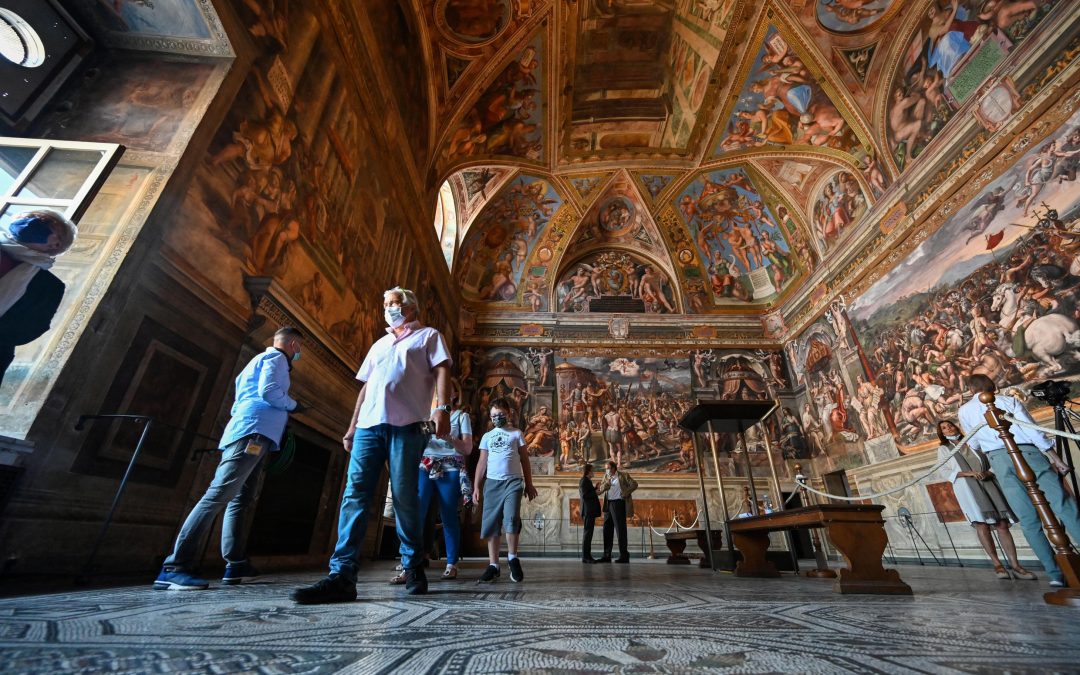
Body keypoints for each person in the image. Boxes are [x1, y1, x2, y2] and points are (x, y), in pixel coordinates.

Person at [292, 287, 451, 604]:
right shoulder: (379, 344)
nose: (390, 308)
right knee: (355, 494)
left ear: (411, 307)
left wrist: (442, 409)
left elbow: (442, 369)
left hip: (407, 426)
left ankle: (413, 565)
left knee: (405, 496)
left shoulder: (428, 336)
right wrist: (352, 426)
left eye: (396, 303)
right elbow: (366, 388)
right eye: (386, 304)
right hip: (368, 427)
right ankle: (342, 575)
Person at [153, 327, 304, 590]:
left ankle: (235, 562)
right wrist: (293, 405)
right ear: (293, 344)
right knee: (219, 494)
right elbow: (269, 392)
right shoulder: (277, 359)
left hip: (253, 432)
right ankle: (174, 566)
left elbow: (238, 402)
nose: (299, 352)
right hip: (253, 436)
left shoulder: (255, 362)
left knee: (241, 498)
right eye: (299, 347)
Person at [958, 374, 1080, 588]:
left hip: (999, 459)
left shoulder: (964, 410)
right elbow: (1032, 432)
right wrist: (1055, 458)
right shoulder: (1007, 401)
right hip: (1027, 452)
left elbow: (974, 443)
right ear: (991, 385)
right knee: (1062, 503)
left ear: (970, 388)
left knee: (1027, 518)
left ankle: (1055, 574)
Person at [935, 420, 1034, 580]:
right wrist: (969, 473)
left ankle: (1016, 565)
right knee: (982, 524)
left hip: (989, 483)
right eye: (944, 428)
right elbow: (944, 471)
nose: (949, 428)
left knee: (1002, 524)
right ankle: (997, 565)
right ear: (942, 433)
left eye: (950, 425)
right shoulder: (944, 449)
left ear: (956, 426)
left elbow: (991, 459)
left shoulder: (973, 441)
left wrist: (988, 472)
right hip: (968, 488)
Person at [0, 210, 77, 387]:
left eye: (48, 225)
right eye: (36, 217)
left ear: (55, 245)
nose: (35, 222)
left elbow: (28, 329)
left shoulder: (49, 287)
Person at [473, 398, 537, 583]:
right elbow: (482, 462)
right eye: (494, 416)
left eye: (500, 414)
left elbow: (525, 460)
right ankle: (493, 565)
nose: (497, 418)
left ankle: (512, 557)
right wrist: (477, 486)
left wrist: (529, 484)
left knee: (511, 518)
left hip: (513, 482)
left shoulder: (517, 434)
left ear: (508, 414)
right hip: (492, 484)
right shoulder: (487, 436)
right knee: (492, 523)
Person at [409, 397, 473, 581]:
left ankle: (452, 563)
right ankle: (410, 560)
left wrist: (448, 437)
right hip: (425, 464)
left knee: (448, 514)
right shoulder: (423, 413)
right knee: (416, 512)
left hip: (450, 466)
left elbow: (467, 448)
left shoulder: (462, 417)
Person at [597, 461, 638, 563]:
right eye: (606, 468)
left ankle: (624, 555)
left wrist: (626, 492)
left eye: (609, 468)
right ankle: (607, 555)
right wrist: (607, 483)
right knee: (607, 530)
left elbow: (634, 484)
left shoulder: (623, 475)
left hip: (619, 504)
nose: (607, 470)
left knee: (620, 530)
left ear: (614, 468)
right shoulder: (606, 477)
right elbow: (600, 490)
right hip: (608, 504)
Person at [579, 464, 601, 564]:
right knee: (587, 535)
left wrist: (595, 487)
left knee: (589, 534)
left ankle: (588, 556)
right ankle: (585, 557)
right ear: (588, 471)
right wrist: (595, 492)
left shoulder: (587, 481)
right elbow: (585, 495)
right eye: (592, 470)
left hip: (590, 511)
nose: (593, 472)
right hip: (588, 511)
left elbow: (588, 492)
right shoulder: (584, 480)